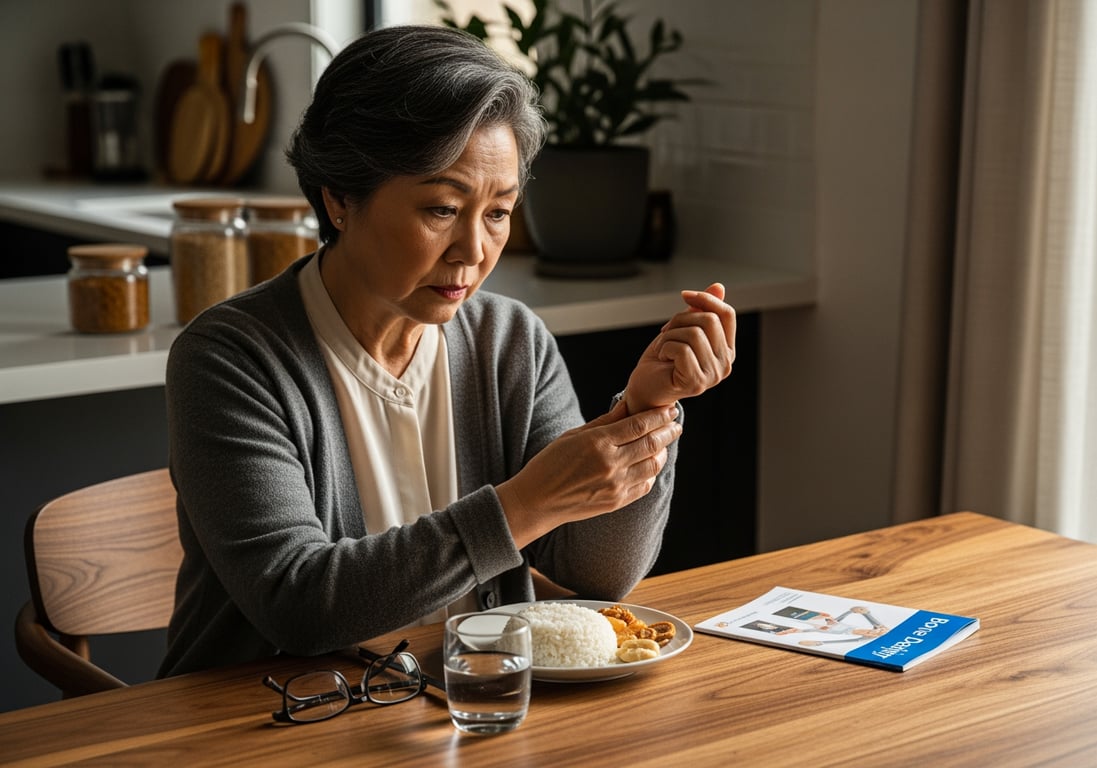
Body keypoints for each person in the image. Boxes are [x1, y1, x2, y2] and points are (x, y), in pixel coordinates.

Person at [158, 24, 736, 677]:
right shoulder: (231, 357)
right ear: (339, 199)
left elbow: (594, 575)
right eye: (440, 209)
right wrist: (524, 505)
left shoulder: (508, 341)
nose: (472, 252)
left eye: (497, 212)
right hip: (271, 718)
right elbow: (300, 606)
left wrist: (645, 409)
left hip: (471, 708)